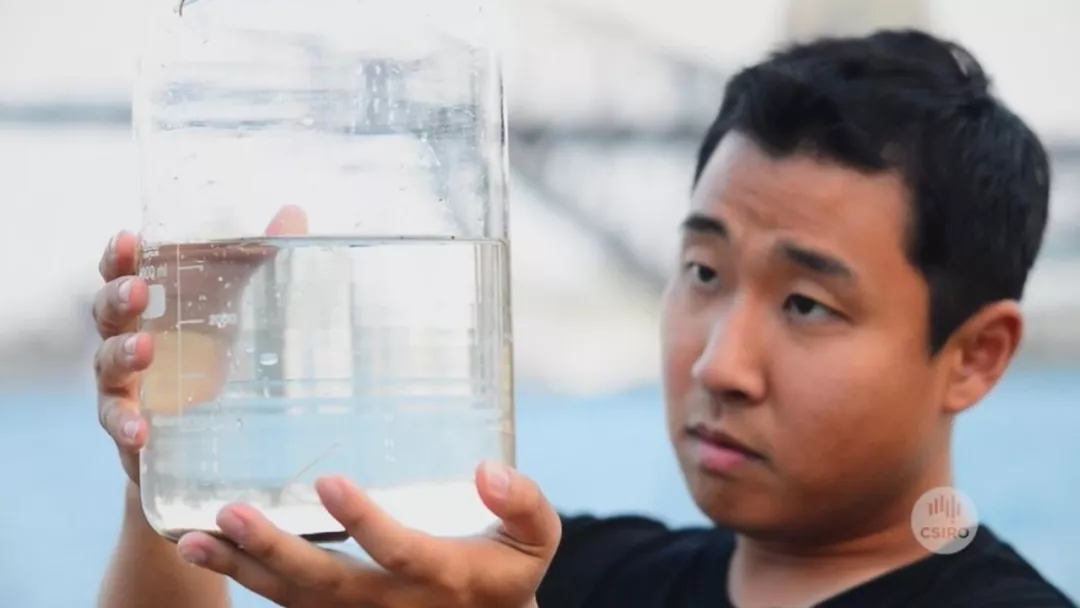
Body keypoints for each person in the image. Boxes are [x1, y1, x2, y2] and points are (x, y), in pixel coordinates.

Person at [92, 29, 1076, 607]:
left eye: (806, 304)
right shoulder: (559, 573)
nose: (720, 363)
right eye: (703, 271)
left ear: (975, 355)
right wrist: (171, 460)